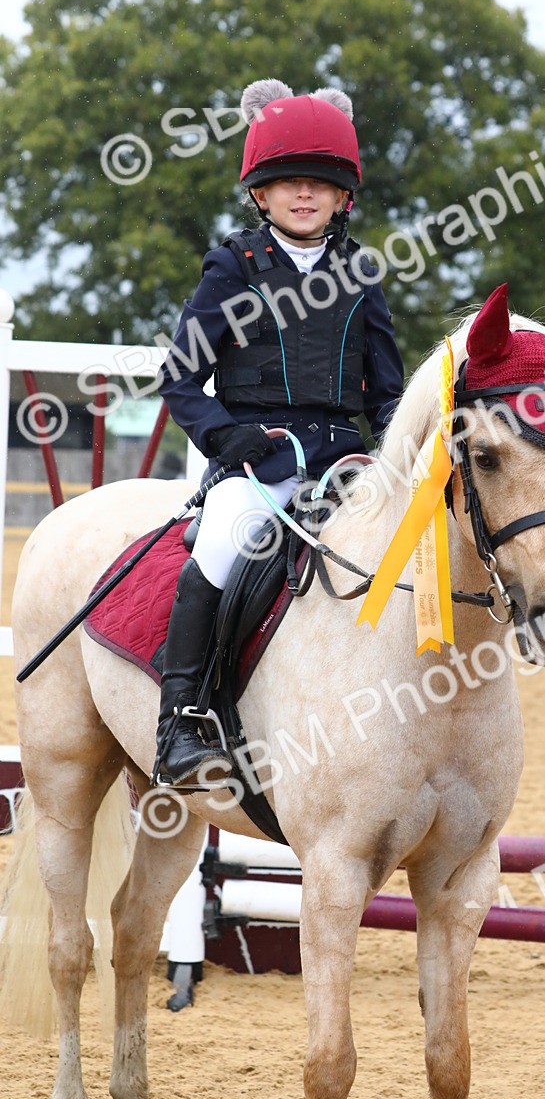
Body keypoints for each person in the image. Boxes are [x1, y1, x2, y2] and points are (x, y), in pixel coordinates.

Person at [153, 77, 405, 787]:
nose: (305, 195)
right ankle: (182, 722)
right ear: (260, 194)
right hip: (257, 459)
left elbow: (388, 391)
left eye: (320, 185)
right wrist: (225, 438)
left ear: (341, 196)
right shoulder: (233, 264)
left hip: (346, 462)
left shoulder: (361, 272)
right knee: (228, 540)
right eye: (289, 183)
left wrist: (405, 455)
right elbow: (180, 377)